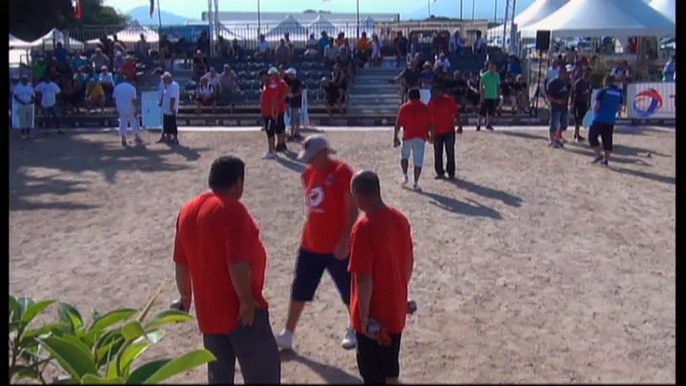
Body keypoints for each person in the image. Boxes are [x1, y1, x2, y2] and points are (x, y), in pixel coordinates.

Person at [173, 156, 281, 384]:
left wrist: (185, 297)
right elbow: (237, 263)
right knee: (263, 374)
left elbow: (181, 263)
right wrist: (247, 301)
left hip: (208, 313)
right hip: (240, 314)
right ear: (238, 182)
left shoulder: (187, 212)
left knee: (219, 377)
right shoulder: (232, 210)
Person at [276, 135, 359, 351]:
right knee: (300, 289)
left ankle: (354, 327)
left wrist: (344, 240)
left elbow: (352, 210)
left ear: (324, 153)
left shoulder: (343, 173)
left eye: (312, 157)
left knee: (349, 290)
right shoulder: (308, 173)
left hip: (337, 246)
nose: (309, 161)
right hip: (310, 243)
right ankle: (288, 333)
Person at [348, 170, 414, 385]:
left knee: (372, 375)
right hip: (395, 312)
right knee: (390, 371)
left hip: (375, 319)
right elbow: (408, 262)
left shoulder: (364, 227)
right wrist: (400, 292)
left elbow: (364, 278)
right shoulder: (400, 220)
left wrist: (365, 318)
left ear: (358, 194)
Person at [394, 89, 435, 192]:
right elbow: (431, 125)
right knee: (418, 161)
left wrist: (395, 137)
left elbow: (398, 124)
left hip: (407, 136)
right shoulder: (425, 108)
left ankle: (405, 176)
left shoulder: (404, 107)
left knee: (404, 157)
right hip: (420, 137)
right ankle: (416, 182)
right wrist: (431, 137)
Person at [588, 75, 623, 166]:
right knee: (607, 139)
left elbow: (597, 106)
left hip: (600, 118)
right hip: (610, 119)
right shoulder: (618, 93)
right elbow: (619, 108)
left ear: (606, 81)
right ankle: (606, 160)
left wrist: (594, 113)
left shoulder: (603, 91)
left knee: (592, 136)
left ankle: (598, 152)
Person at [428, 86, 460, 180]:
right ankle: (439, 171)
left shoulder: (448, 100)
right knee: (438, 152)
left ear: (439, 92)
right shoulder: (430, 104)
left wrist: (459, 125)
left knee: (450, 152)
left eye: (434, 93)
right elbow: (428, 119)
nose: (433, 95)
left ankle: (451, 171)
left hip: (449, 130)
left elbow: (456, 112)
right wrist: (429, 132)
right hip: (437, 132)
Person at [546, 66, 572, 148]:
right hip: (556, 106)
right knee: (554, 123)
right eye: (565, 72)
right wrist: (557, 101)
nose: (567, 74)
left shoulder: (566, 82)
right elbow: (549, 97)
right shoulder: (553, 83)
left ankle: (558, 137)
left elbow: (570, 91)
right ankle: (552, 140)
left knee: (564, 123)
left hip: (564, 107)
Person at [113, 77, 141, 147]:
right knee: (133, 121)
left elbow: (114, 98)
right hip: (130, 107)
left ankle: (123, 138)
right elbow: (134, 100)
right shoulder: (132, 88)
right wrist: (136, 109)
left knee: (122, 122)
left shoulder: (117, 87)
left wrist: (117, 106)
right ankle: (136, 135)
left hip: (121, 107)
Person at [570, 67, 593, 143]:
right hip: (578, 102)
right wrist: (572, 103)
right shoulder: (579, 82)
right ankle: (576, 134)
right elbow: (573, 92)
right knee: (577, 120)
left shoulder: (589, 83)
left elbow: (589, 94)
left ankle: (585, 135)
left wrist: (589, 103)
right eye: (587, 73)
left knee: (585, 120)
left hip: (584, 102)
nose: (588, 75)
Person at [478, 62, 500, 131]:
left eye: (495, 67)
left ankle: (488, 124)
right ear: (489, 67)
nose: (494, 68)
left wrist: (498, 95)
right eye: (492, 67)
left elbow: (498, 86)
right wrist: (482, 95)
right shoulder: (485, 75)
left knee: (491, 111)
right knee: (482, 111)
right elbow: (481, 86)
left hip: (493, 96)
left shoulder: (496, 75)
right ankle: (478, 124)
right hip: (486, 96)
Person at [159, 72, 180, 144]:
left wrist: (172, 108)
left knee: (172, 124)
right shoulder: (168, 86)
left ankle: (175, 138)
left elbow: (173, 98)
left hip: (170, 109)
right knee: (167, 125)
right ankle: (168, 138)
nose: (164, 81)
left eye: (165, 79)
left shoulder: (172, 86)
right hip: (166, 109)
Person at [13, 75, 35, 141]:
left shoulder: (30, 87)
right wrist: (21, 101)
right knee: (22, 120)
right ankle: (23, 134)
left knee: (29, 119)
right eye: (24, 79)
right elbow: (15, 96)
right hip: (21, 105)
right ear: (22, 80)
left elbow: (33, 95)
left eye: (26, 79)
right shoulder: (18, 87)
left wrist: (31, 101)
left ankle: (28, 133)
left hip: (29, 104)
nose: (25, 81)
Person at [284, 68, 303, 141]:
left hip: (296, 102)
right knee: (295, 118)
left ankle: (293, 134)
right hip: (291, 102)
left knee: (294, 119)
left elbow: (300, 91)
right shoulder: (288, 81)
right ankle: (296, 133)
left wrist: (293, 95)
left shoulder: (297, 82)